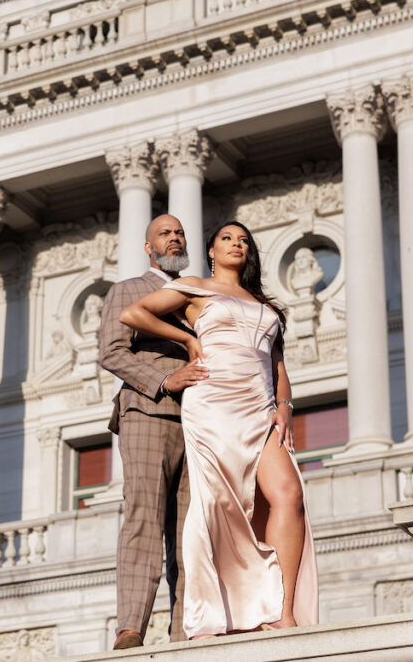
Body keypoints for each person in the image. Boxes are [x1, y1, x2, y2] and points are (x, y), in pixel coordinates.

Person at [119, 220, 318, 639]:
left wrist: (284, 406)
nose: (237, 244)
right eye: (227, 238)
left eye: (244, 240)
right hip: (213, 402)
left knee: (289, 494)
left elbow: (277, 364)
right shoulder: (193, 286)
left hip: (260, 407)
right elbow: (133, 313)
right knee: (215, 504)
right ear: (211, 250)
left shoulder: (264, 303)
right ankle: (209, 615)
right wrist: (187, 340)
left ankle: (282, 610)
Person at [98, 214, 210, 649]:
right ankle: (131, 628)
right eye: (165, 233)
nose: (175, 238)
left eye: (179, 233)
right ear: (149, 247)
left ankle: (186, 630)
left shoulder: (198, 295)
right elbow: (111, 351)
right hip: (148, 409)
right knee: (143, 516)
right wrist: (165, 380)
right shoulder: (126, 290)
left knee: (191, 530)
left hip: (199, 422)